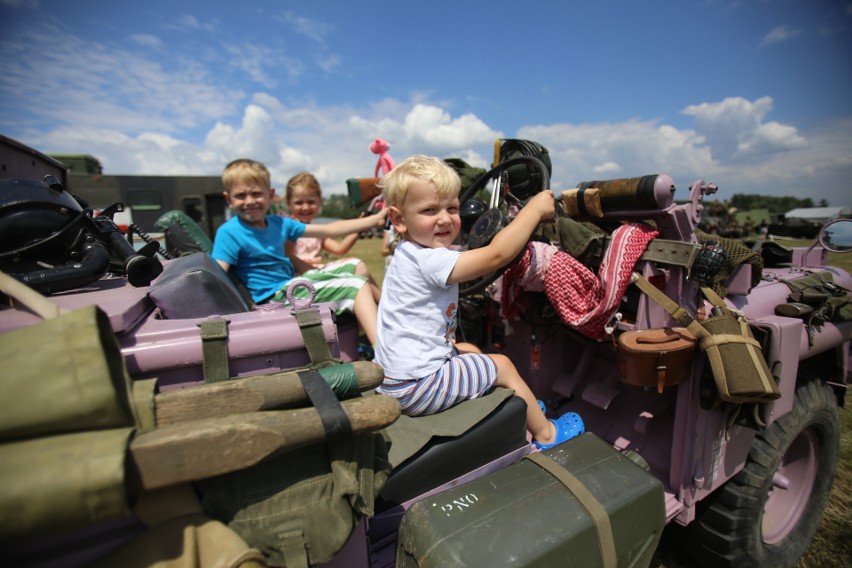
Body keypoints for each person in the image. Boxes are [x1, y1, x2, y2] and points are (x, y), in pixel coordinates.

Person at [374, 155, 583, 449]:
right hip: (419, 387)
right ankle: (546, 433)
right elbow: (496, 255)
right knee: (504, 365)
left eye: (452, 208)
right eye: (430, 210)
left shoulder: (407, 253)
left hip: (395, 380)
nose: (445, 219)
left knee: (469, 349)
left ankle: (519, 406)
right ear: (398, 219)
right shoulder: (431, 260)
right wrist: (533, 211)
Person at [211, 159, 386, 345]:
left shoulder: (280, 224)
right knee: (355, 286)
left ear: (270, 195)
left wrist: (375, 219)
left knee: (356, 266)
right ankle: (385, 355)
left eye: (256, 193)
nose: (250, 201)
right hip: (271, 299)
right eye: (241, 195)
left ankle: (381, 325)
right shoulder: (229, 232)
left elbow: (330, 229)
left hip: (290, 285)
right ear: (228, 199)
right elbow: (215, 276)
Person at [284, 171, 381, 302]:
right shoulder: (288, 228)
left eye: (311, 201)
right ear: (288, 204)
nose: (305, 207)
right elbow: (289, 257)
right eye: (299, 202)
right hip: (301, 279)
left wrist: (361, 226)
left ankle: (383, 305)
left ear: (319, 202)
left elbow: (340, 248)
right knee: (357, 269)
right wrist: (318, 271)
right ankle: (384, 307)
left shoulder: (316, 231)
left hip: (316, 273)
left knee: (359, 269)